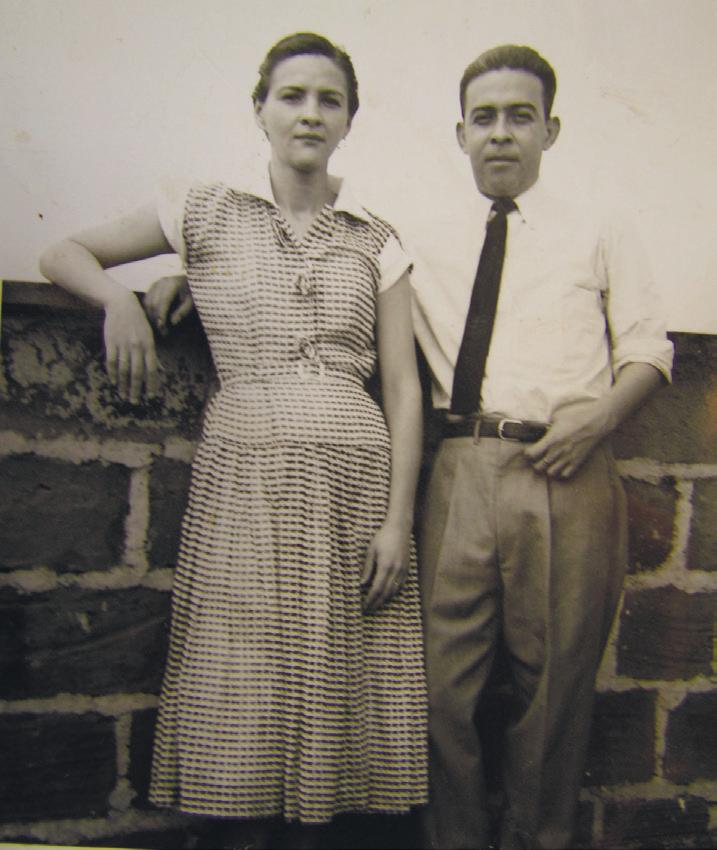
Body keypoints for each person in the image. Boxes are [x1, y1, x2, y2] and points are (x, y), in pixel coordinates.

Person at [39, 31, 428, 849]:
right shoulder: (205, 209)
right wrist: (119, 301)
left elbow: (400, 387)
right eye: (292, 96)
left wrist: (397, 521)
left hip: (354, 488)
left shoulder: (376, 238)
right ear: (260, 110)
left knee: (337, 696)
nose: (310, 114)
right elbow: (61, 252)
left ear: (349, 120)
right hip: (245, 478)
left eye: (329, 100)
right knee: (240, 685)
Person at [409, 45, 674, 849]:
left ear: (549, 131)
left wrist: (595, 421)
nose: (500, 133)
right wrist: (183, 271)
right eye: (483, 117)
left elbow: (648, 351)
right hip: (458, 470)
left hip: (564, 469)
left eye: (519, 116)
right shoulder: (415, 237)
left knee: (553, 693)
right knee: (436, 692)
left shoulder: (599, 227)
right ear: (459, 133)